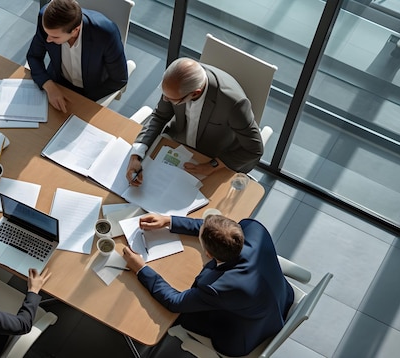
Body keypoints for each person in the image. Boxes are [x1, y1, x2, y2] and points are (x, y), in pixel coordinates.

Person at [122, 214, 294, 357]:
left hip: (244, 337)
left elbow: (174, 302)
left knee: (175, 316)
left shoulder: (217, 287)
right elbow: (219, 230)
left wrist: (141, 268)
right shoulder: (254, 229)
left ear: (208, 253)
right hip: (282, 298)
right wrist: (169, 221)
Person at [126, 57, 263, 186]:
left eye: (172, 99)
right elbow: (160, 116)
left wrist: (212, 166)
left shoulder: (233, 104)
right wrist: (136, 155)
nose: (165, 100)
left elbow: (255, 149)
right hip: (178, 144)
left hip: (211, 157)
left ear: (196, 93)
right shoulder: (176, 81)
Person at [26, 0, 128, 112]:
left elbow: (119, 79)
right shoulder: (45, 18)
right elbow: (34, 56)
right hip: (57, 82)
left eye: (55, 37)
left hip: (90, 92)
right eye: (47, 34)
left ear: (75, 30)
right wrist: (49, 86)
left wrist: (83, 100)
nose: (48, 39)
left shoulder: (106, 34)